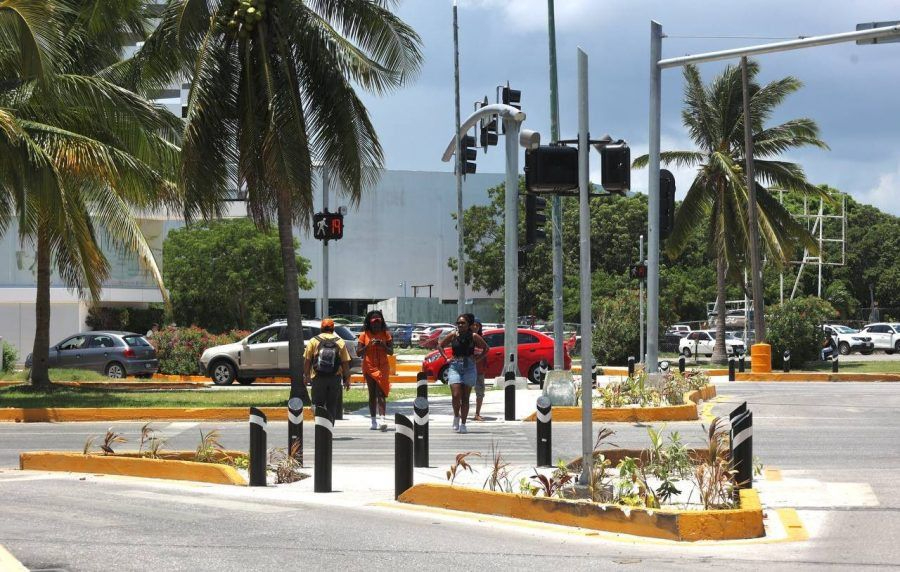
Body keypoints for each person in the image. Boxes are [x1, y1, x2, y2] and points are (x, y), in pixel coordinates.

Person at [438, 313, 488, 434]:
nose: (460, 325)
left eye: (463, 323)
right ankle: (456, 416)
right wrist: (446, 358)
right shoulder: (453, 335)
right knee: (456, 395)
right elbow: (440, 345)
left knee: (465, 397)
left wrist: (477, 359)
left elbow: (486, 349)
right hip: (455, 366)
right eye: (458, 323)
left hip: (469, 366)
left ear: (468, 325)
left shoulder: (474, 336)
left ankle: (464, 424)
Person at [303, 318, 351, 422]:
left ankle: (320, 430)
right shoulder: (340, 341)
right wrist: (347, 379)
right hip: (335, 378)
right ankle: (329, 432)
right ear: (333, 329)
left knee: (318, 405)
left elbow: (307, 361)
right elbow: (345, 363)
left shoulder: (313, 341)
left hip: (318, 377)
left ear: (321, 328)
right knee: (332, 405)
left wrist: (306, 376)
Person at [357, 310, 394, 431]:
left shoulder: (386, 334)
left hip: (383, 366)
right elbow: (358, 353)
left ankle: (382, 419)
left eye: (378, 321)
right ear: (370, 322)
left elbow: (391, 351)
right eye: (374, 322)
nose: (376, 324)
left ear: (381, 322)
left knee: (381, 392)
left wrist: (383, 345)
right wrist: (368, 346)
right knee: (372, 394)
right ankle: (373, 421)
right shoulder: (364, 335)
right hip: (369, 366)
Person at [471, 318, 487, 421]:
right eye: (473, 325)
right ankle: (459, 413)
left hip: (479, 370)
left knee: (480, 392)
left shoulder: (482, 338)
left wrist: (479, 361)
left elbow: (486, 351)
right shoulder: (465, 338)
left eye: (478, 325)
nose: (475, 327)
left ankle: (477, 413)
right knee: (463, 392)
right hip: (467, 369)